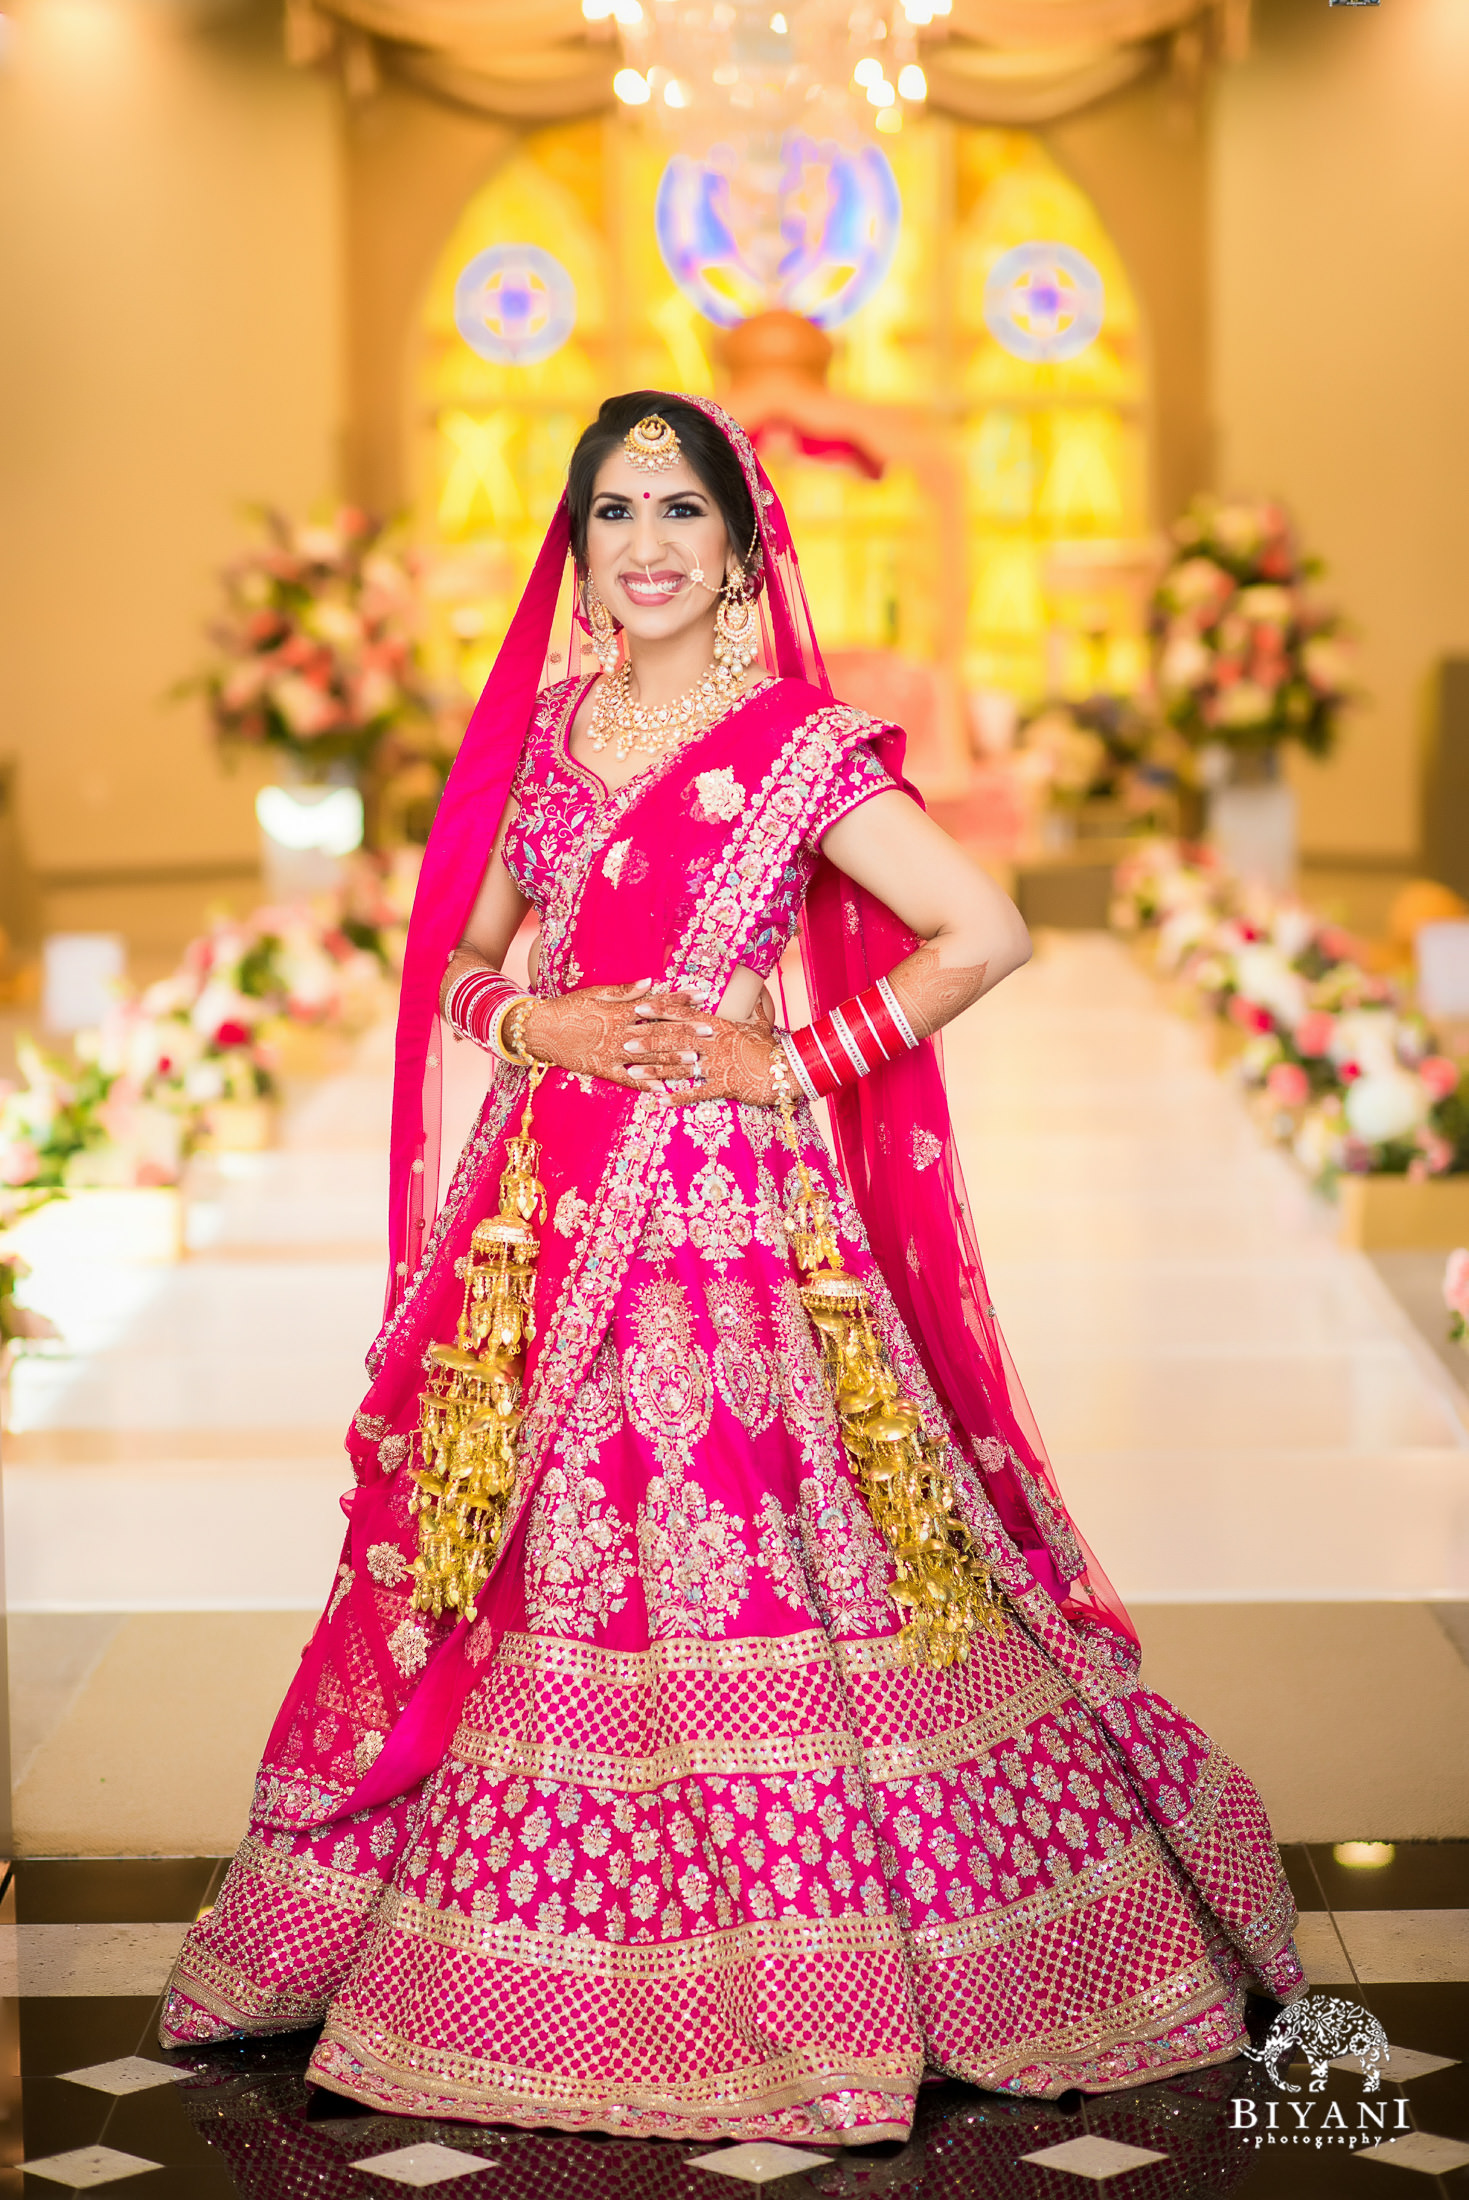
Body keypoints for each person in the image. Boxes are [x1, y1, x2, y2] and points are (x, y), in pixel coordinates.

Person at [162, 394, 1303, 2144]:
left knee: (768, 1542)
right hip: (545, 1221)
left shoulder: (797, 747)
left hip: (731, 1231)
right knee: (527, 1551)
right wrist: (533, 1012)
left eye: (680, 513)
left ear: (741, 547)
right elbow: (454, 964)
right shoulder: (542, 741)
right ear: (579, 546)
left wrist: (793, 1059)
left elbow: (981, 930)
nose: (645, 548)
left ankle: (833, 1968)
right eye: (614, 515)